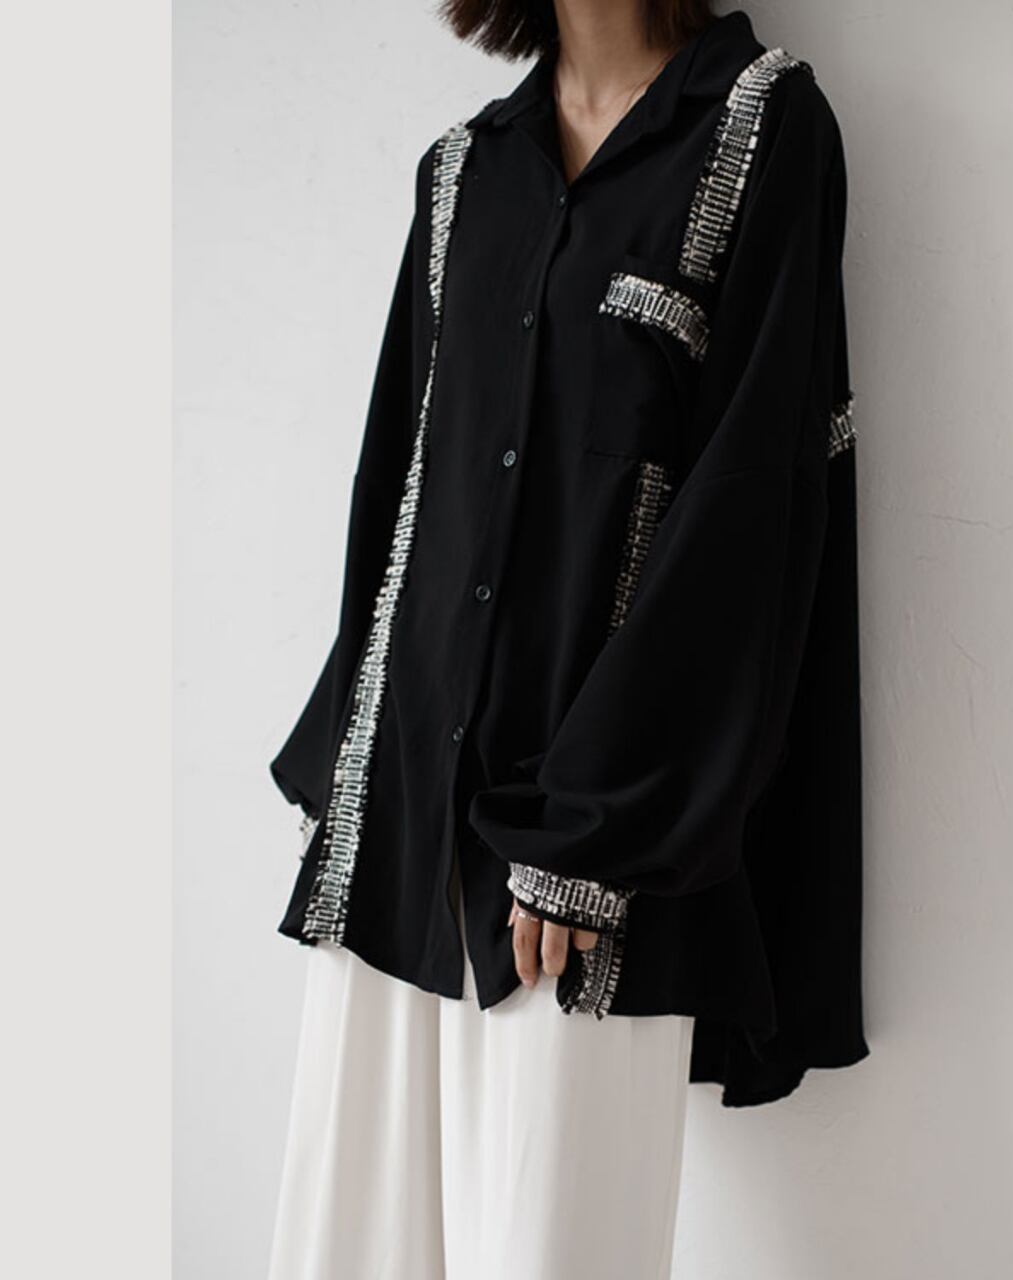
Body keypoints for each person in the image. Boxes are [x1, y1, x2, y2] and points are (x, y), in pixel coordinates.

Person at [266, 2, 868, 1276]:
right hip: (403, 824)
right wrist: (354, 781)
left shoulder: (762, 126)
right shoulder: (462, 170)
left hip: (594, 853)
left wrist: (594, 827)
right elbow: (401, 488)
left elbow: (752, 511)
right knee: (348, 1251)